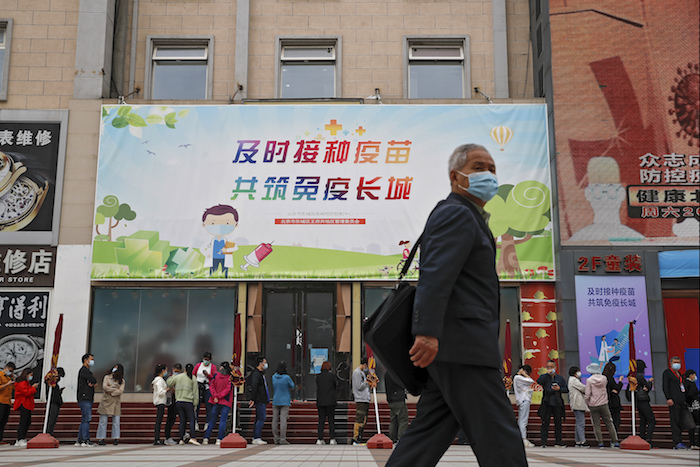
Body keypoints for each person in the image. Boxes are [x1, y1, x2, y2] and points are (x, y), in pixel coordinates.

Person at [385, 144, 527, 467]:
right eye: (479, 167)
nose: (489, 175)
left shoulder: (471, 217)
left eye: (492, 169)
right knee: (500, 437)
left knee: (425, 437)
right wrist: (426, 331)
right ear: (456, 176)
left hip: (456, 349)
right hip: (464, 348)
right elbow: (436, 274)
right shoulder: (456, 213)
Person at [584, 363, 620, 449]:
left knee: (596, 424)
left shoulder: (589, 380)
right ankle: (615, 441)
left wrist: (587, 402)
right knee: (609, 423)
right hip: (604, 403)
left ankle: (600, 443)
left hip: (593, 404)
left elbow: (587, 394)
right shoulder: (604, 378)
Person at [537, 360, 568, 448]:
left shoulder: (560, 378)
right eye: (548, 367)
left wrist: (559, 389)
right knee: (545, 422)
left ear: (555, 367)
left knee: (558, 423)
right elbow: (539, 381)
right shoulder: (545, 377)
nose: (550, 369)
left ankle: (558, 442)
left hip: (557, 403)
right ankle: (543, 442)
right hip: (547, 402)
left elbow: (566, 389)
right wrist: (547, 374)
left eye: (552, 367)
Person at [168, 363, 200, 445]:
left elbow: (169, 382)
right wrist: (195, 404)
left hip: (179, 401)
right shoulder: (193, 378)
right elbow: (196, 393)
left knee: (182, 421)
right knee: (192, 420)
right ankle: (193, 438)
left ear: (184, 369)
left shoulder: (178, 377)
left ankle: (181, 439)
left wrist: (173, 375)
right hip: (188, 402)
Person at [203, 361, 234, 445]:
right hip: (226, 402)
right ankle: (219, 439)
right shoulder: (230, 377)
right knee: (223, 420)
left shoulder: (216, 375)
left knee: (212, 420)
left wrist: (215, 396)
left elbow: (211, 386)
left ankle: (206, 438)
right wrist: (219, 396)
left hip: (216, 401)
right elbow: (228, 389)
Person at [626, 359, 655, 446]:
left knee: (643, 420)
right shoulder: (639, 376)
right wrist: (650, 382)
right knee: (651, 420)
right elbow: (647, 387)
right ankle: (648, 439)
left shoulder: (632, 375)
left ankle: (642, 437)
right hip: (642, 400)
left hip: (637, 400)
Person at [662, 356, 688, 449]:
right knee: (675, 421)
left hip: (681, 401)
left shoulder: (680, 374)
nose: (677, 364)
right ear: (671, 363)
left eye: (678, 362)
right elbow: (665, 386)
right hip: (673, 401)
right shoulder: (667, 373)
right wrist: (668, 398)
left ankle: (680, 440)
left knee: (680, 422)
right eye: (675, 362)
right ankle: (677, 442)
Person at [97, 364, 125, 445]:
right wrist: (114, 388)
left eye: (116, 368)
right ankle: (101, 438)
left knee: (116, 421)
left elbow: (120, 391)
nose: (114, 369)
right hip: (106, 401)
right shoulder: (107, 377)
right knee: (103, 421)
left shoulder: (122, 380)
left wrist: (111, 392)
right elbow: (105, 387)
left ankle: (116, 438)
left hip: (116, 402)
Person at [12, 368, 39, 446]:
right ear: (26, 375)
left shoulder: (25, 383)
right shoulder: (23, 383)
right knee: (24, 422)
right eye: (31, 375)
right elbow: (26, 393)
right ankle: (20, 438)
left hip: (26, 404)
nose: (31, 377)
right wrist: (33, 387)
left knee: (26, 421)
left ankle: (21, 438)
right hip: (23, 403)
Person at [247, 356, 270, 445]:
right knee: (261, 417)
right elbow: (254, 386)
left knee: (258, 417)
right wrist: (253, 398)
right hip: (259, 399)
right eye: (265, 362)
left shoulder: (260, 373)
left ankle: (256, 436)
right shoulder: (256, 374)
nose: (266, 364)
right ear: (260, 363)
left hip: (262, 399)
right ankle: (257, 436)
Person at [76, 353, 98, 447]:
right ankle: (85, 440)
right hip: (85, 397)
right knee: (87, 418)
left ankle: (80, 440)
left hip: (86, 397)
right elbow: (93, 379)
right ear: (86, 360)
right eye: (91, 359)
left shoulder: (86, 371)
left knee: (84, 419)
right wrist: (93, 382)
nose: (92, 361)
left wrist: (92, 383)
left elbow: (92, 381)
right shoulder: (84, 371)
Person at [271, 361, 294, 445]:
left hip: (276, 400)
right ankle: (282, 439)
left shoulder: (273, 377)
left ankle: (276, 438)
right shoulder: (286, 377)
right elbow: (292, 386)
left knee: (275, 420)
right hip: (285, 400)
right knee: (283, 420)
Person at [193, 352, 218, 431]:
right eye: (205, 359)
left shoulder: (213, 367)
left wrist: (208, 375)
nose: (205, 361)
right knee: (197, 405)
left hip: (207, 387)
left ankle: (207, 423)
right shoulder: (198, 365)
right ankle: (195, 422)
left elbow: (215, 378)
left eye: (207, 360)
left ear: (210, 360)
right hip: (198, 386)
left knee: (208, 406)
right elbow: (193, 374)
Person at [513, 364, 535, 447]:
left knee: (522, 420)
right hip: (524, 399)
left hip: (523, 400)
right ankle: (523, 439)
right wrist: (524, 373)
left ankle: (522, 438)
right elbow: (531, 381)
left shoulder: (519, 378)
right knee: (523, 421)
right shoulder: (518, 377)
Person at [315, 361, 337, 445]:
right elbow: (335, 386)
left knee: (321, 420)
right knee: (331, 420)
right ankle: (332, 439)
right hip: (330, 401)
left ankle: (320, 439)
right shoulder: (332, 376)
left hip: (320, 401)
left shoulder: (318, 377)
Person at [567, 366, 590, 448]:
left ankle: (578, 441)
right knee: (581, 423)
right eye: (578, 371)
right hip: (578, 403)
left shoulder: (573, 380)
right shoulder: (573, 380)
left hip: (577, 403)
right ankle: (582, 441)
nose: (579, 373)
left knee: (578, 423)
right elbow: (583, 388)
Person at [385, 371, 408, 443]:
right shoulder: (396, 373)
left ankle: (392, 437)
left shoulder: (387, 374)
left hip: (391, 399)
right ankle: (401, 438)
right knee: (403, 420)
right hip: (399, 398)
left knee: (393, 420)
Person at [351, 357, 370, 446]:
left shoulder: (362, 372)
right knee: (359, 419)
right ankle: (356, 437)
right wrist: (367, 382)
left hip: (365, 399)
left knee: (363, 419)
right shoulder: (357, 372)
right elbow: (359, 386)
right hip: (360, 399)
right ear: (364, 365)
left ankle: (360, 436)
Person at [163, 363, 182, 445]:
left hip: (180, 400)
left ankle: (183, 433)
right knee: (171, 419)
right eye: (175, 371)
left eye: (177, 372)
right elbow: (171, 388)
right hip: (172, 401)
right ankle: (167, 437)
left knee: (182, 417)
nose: (176, 373)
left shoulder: (181, 378)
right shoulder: (170, 378)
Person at [45, 367, 66, 436]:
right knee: (51, 420)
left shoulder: (55, 385)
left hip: (56, 402)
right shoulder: (51, 382)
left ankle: (50, 433)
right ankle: (48, 433)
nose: (58, 379)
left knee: (53, 420)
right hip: (53, 402)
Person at [603, 362, 623, 431]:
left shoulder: (603, 378)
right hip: (613, 402)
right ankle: (614, 436)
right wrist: (620, 381)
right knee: (616, 420)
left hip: (605, 401)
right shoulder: (609, 378)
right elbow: (617, 388)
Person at [152, 363, 168, 445]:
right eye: (165, 370)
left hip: (160, 401)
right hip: (160, 401)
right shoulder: (159, 381)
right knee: (159, 421)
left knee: (159, 420)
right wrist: (166, 390)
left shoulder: (158, 380)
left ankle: (157, 438)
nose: (166, 372)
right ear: (162, 371)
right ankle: (157, 438)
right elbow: (160, 392)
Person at [0, 362, 15, 445]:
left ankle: (0, 439)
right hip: (1, 401)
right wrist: (7, 384)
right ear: (5, 368)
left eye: (12, 371)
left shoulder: (9, 378)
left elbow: (14, 388)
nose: (10, 372)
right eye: (9, 370)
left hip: (7, 402)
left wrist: (13, 379)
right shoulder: (0, 375)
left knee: (3, 421)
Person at [684, 369, 699, 450]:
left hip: (689, 407)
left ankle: (692, 443)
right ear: (690, 375)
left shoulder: (685, 383)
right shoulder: (691, 384)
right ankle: (697, 443)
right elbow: (691, 395)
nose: (695, 377)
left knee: (691, 426)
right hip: (695, 407)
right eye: (694, 375)